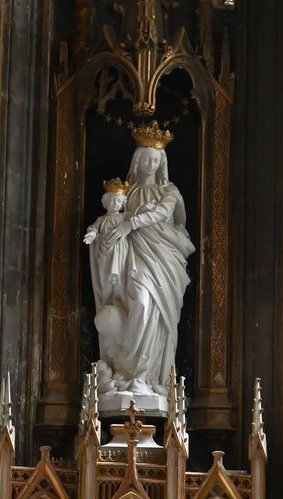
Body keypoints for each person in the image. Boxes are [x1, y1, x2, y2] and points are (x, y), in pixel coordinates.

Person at [86, 122, 196, 396]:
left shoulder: (168, 192)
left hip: (163, 262)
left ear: (161, 163)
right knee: (138, 302)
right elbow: (111, 220)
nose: (150, 164)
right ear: (137, 161)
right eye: (145, 158)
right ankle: (128, 371)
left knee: (150, 308)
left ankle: (147, 376)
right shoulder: (127, 193)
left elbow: (161, 213)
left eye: (155, 160)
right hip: (132, 263)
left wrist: (129, 225)